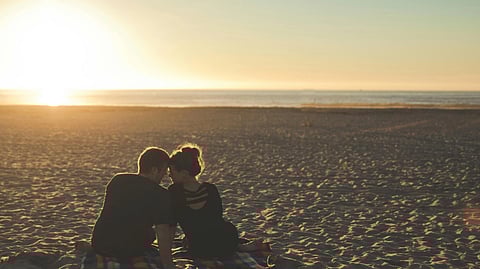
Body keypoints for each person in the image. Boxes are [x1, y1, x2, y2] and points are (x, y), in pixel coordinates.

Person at [90, 147, 175, 269]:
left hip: (99, 243)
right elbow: (162, 233)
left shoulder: (118, 180)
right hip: (129, 250)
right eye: (164, 172)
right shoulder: (160, 194)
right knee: (150, 234)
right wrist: (168, 264)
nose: (164, 176)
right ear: (154, 170)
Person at [168, 143, 256, 258]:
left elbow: (172, 224)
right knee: (227, 228)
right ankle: (242, 247)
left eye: (172, 171)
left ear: (184, 173)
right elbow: (214, 220)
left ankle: (242, 247)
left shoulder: (174, 192)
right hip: (224, 244)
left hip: (199, 248)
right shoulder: (211, 189)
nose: (169, 175)